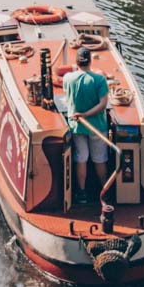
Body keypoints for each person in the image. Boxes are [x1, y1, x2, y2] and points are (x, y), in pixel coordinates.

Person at [62, 47, 109, 205]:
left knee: (81, 159)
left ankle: (81, 193)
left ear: (76, 62)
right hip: (97, 126)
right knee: (99, 159)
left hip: (77, 126)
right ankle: (104, 192)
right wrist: (88, 115)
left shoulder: (68, 79)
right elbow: (103, 105)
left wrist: (81, 115)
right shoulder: (99, 80)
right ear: (90, 61)